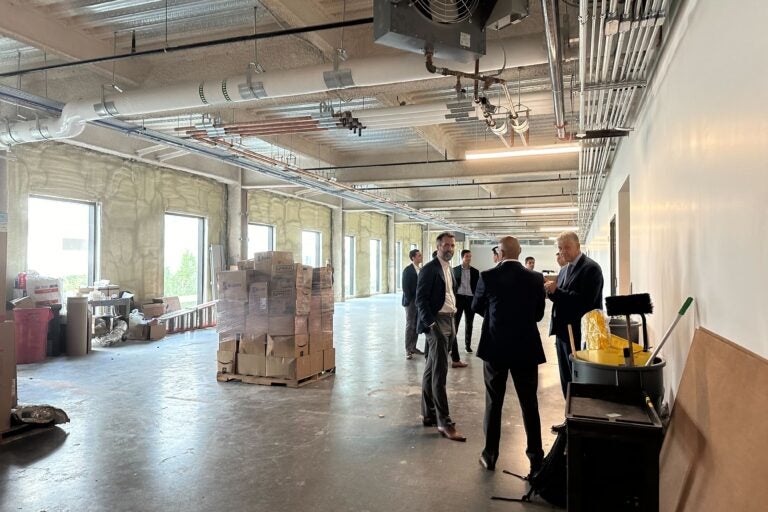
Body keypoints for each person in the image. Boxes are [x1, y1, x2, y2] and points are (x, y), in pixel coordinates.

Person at [473, 236, 545, 474]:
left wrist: (496, 315)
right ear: (520, 251)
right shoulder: (535, 278)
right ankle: (536, 459)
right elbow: (538, 314)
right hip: (526, 348)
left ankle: (490, 455)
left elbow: (476, 306)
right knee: (529, 403)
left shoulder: (487, 276)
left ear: (500, 253)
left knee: (494, 402)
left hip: (496, 348)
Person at [416, 232, 466, 442]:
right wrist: (432, 325)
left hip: (450, 320)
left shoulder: (449, 269)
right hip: (437, 323)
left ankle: (428, 413)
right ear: (438, 247)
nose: (450, 249)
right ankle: (443, 422)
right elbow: (420, 300)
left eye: (452, 245)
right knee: (440, 373)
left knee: (431, 368)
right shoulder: (429, 269)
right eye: (446, 245)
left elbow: (448, 294)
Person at [544, 231, 604, 397]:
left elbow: (585, 302)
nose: (563, 252)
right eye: (560, 248)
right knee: (566, 378)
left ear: (578, 246)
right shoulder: (564, 270)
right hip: (562, 333)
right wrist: (551, 292)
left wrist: (558, 291)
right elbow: (561, 297)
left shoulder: (591, 269)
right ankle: (569, 417)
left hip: (579, 333)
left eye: (567, 247)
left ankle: (579, 418)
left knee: (578, 378)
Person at [452, 250, 479, 355]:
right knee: (455, 323)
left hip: (470, 299)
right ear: (462, 257)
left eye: (470, 256)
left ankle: (468, 346)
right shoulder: (455, 270)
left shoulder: (475, 272)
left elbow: (478, 287)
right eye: (467, 256)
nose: (469, 258)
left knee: (469, 323)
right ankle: (452, 346)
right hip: (459, 299)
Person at [402, 249, 424, 360]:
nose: (421, 257)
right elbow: (405, 288)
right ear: (413, 258)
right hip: (410, 302)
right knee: (410, 325)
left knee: (416, 324)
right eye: (419, 256)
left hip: (418, 302)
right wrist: (412, 300)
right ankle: (408, 350)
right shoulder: (408, 270)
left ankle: (413, 347)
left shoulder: (421, 269)